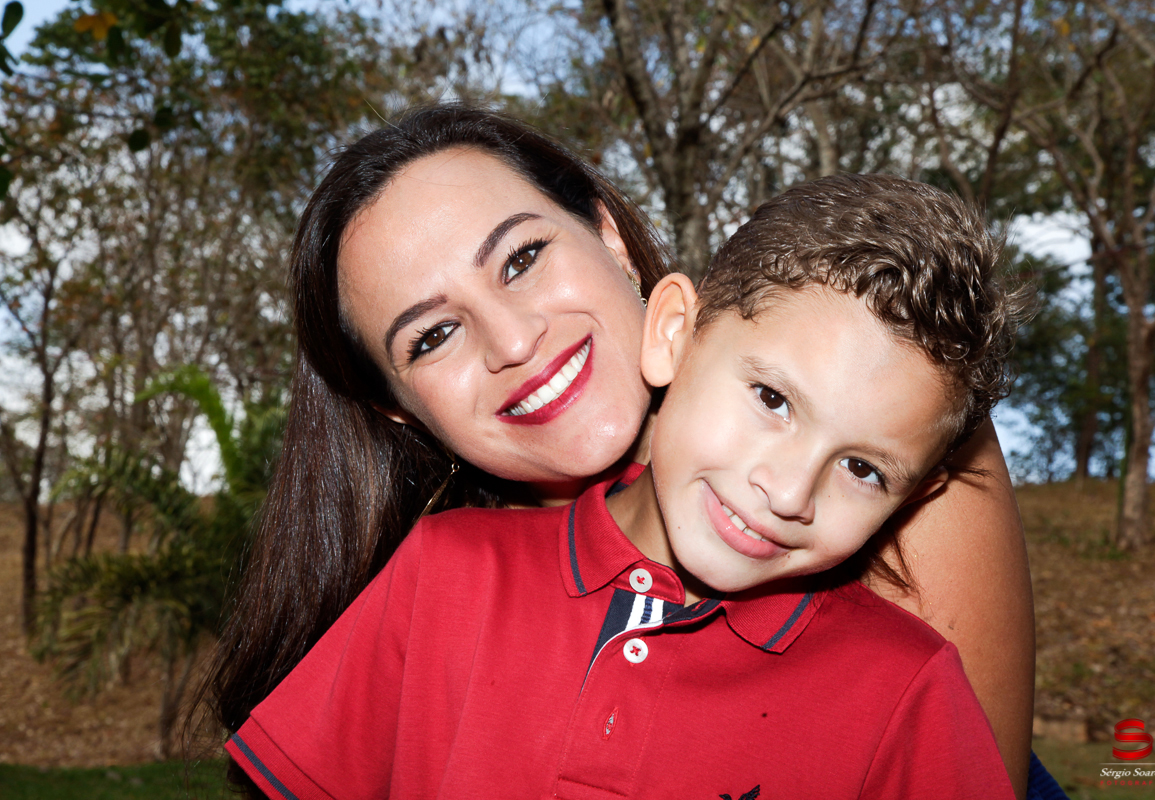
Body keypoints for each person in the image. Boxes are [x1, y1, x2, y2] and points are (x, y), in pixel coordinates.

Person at [203, 105, 1036, 796]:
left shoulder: (877, 380)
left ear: (610, 237)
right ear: (403, 415)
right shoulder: (447, 578)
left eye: (523, 258)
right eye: (434, 336)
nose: (515, 340)